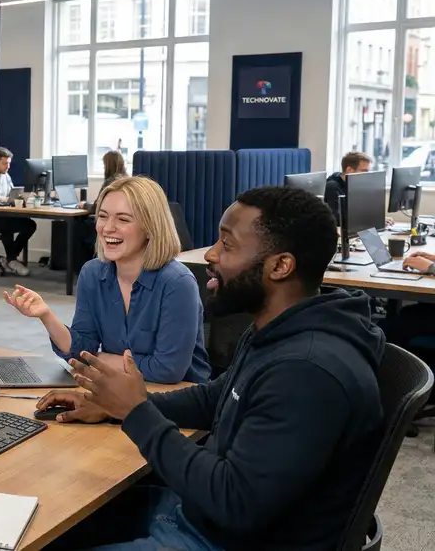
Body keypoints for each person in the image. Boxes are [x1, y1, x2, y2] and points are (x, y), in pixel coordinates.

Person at [39, 185, 384, 551]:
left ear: (280, 266)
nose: (211, 254)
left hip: (226, 538)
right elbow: (214, 398)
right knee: (50, 517)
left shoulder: (306, 372)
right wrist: (110, 406)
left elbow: (235, 503)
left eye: (227, 244)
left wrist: (135, 412)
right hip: (198, 515)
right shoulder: (278, 331)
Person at [5, 176, 210, 384]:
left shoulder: (177, 283)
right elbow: (81, 350)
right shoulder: (93, 274)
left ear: (150, 227)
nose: (107, 227)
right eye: (103, 216)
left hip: (179, 400)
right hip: (121, 390)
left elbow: (166, 370)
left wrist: (98, 359)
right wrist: (46, 315)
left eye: (123, 219)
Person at [0, 147, 35, 277]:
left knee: (30, 225)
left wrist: (23, 197)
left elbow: (12, 194)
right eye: (5, 163)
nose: (8, 167)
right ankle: (12, 260)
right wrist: (0, 199)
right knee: (7, 227)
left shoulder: (5, 176)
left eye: (9, 164)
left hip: (4, 214)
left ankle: (10, 258)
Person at [325, 150, 372, 224]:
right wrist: (369, 220)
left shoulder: (355, 185)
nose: (367, 175)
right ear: (349, 170)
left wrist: (377, 219)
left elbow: (361, 212)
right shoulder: (332, 187)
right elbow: (338, 219)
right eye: (364, 171)